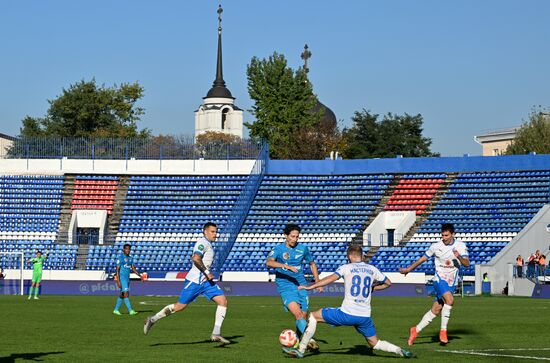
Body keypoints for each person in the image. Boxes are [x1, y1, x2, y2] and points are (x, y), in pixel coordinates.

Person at [283, 244, 414, 359]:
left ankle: (301, 350)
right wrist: (371, 288)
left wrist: (311, 286)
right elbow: (388, 283)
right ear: (361, 256)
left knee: (313, 316)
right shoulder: (372, 269)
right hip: (364, 317)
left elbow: (330, 279)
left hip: (347, 313)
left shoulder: (346, 267)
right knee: (375, 343)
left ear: (350, 256)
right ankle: (400, 351)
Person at [144, 222, 230, 344]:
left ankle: (216, 333)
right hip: (195, 281)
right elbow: (195, 258)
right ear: (205, 232)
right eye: (212, 231)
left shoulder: (208, 244)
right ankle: (152, 319)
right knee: (180, 307)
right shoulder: (202, 243)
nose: (215, 234)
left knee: (223, 301)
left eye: (216, 232)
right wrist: (207, 272)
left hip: (206, 282)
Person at [399, 223, 469, 345]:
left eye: (446, 235)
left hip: (451, 282)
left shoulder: (461, 246)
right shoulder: (436, 246)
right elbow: (422, 259)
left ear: (453, 234)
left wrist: (459, 257)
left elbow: (467, 264)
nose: (444, 238)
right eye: (442, 235)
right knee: (450, 300)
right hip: (439, 279)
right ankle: (443, 331)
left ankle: (415, 330)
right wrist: (408, 269)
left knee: (436, 310)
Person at [266, 224, 321, 351]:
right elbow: (269, 262)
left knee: (303, 316)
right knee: (297, 314)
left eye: (297, 237)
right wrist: (286, 266)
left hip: (301, 285)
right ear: (286, 236)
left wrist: (317, 281)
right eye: (292, 236)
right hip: (285, 285)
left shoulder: (303, 249)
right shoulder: (278, 249)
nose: (294, 239)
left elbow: (312, 264)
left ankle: (300, 342)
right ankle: (310, 341)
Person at [113, 243, 144, 315]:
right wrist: (118, 281)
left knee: (122, 294)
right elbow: (117, 270)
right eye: (126, 249)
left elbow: (133, 268)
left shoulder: (130, 258)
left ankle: (116, 310)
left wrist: (140, 275)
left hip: (127, 279)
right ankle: (131, 310)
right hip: (122, 278)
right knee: (126, 294)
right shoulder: (120, 258)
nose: (128, 250)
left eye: (129, 249)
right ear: (123, 250)